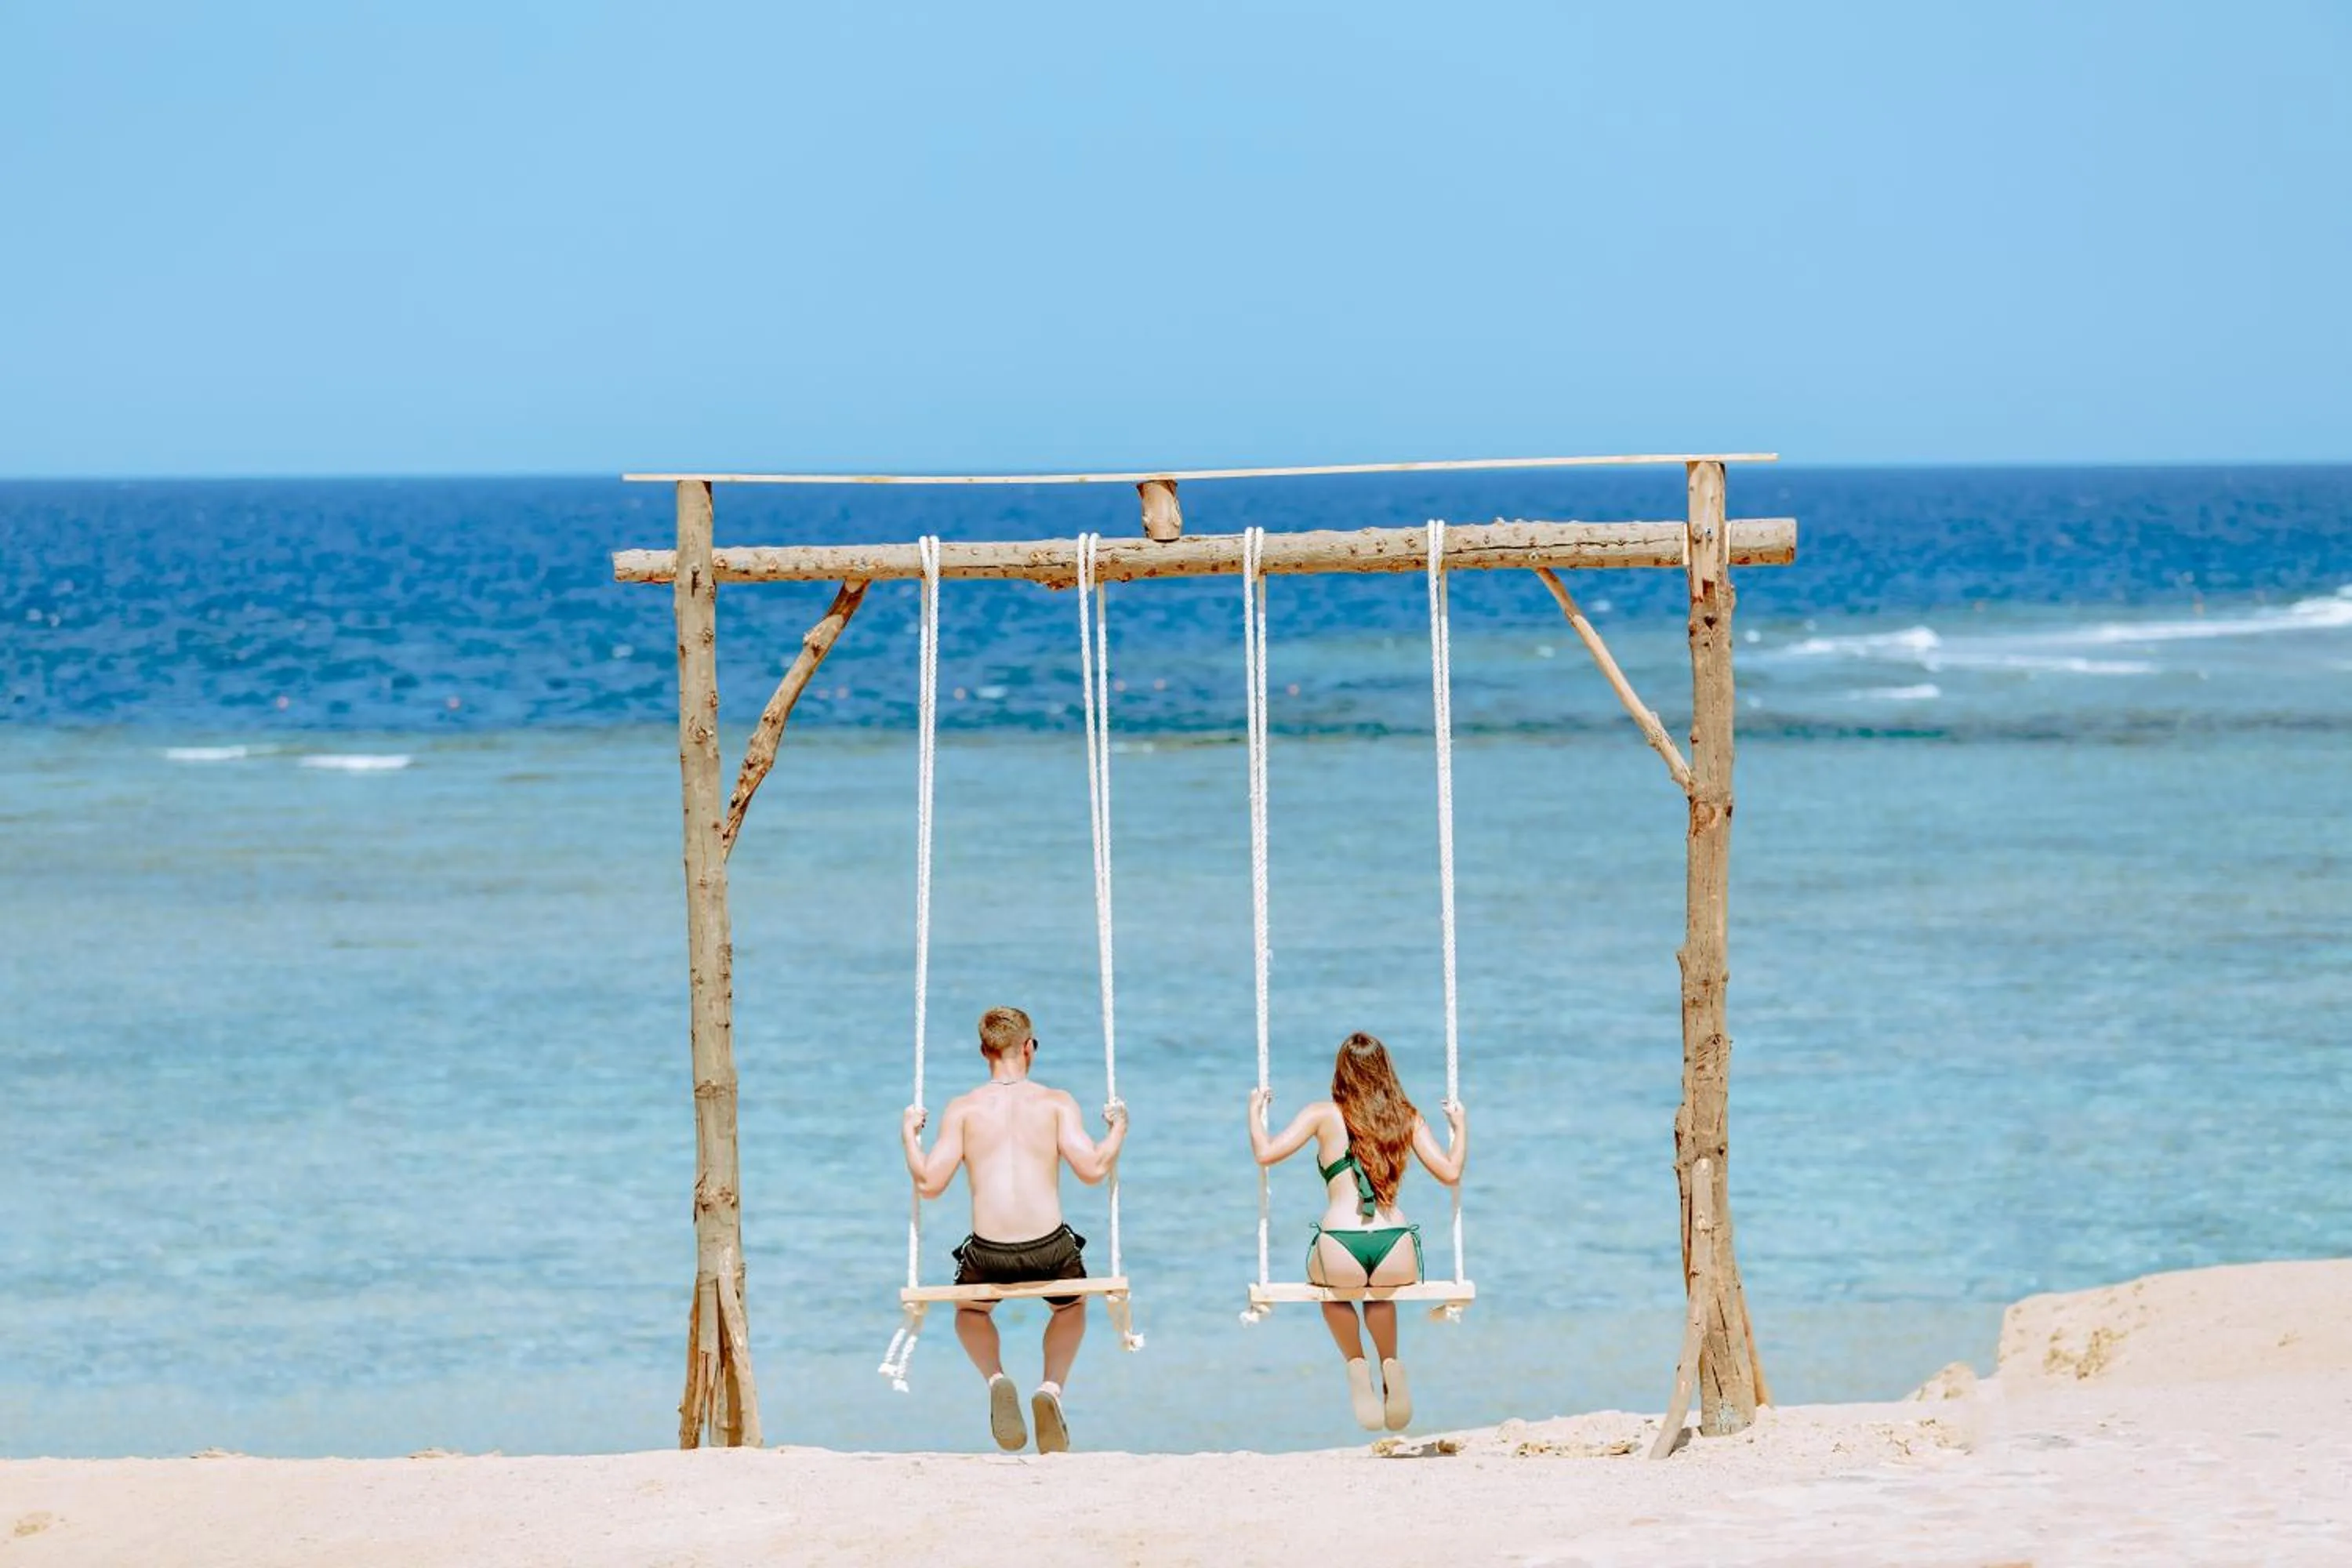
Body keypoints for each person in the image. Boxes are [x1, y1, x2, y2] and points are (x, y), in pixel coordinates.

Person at [902, 1004, 1128, 1454]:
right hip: (1050, 1249)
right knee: (1070, 1307)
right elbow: (1093, 1169)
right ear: (1028, 1048)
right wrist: (1118, 1129)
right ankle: (1050, 1389)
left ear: (984, 1050)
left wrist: (909, 1134)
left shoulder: (963, 1110)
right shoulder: (1056, 1103)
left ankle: (996, 1378)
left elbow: (929, 1184)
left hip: (990, 1254)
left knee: (971, 1311)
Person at [1248, 1031, 1467, 1432]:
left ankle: (1356, 1364)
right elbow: (1450, 1173)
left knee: (1331, 1295)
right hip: (1394, 1246)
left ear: (1342, 1071)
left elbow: (1266, 1154)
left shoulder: (1322, 1113)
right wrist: (1460, 1125)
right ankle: (1390, 1363)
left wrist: (1254, 1111)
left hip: (1340, 1245)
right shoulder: (1407, 1115)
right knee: (1380, 1297)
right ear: (1385, 1069)